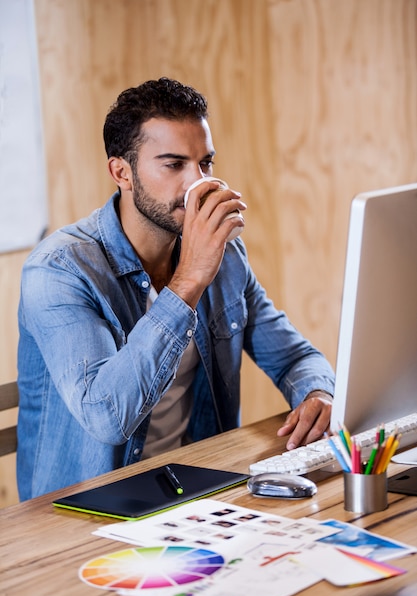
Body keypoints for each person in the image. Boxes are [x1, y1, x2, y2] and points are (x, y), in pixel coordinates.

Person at [16, 77, 335, 500]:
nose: (197, 183)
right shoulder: (59, 270)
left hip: (198, 486)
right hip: (89, 507)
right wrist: (188, 281)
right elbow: (107, 417)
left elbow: (294, 356)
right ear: (122, 172)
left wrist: (317, 392)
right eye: (174, 165)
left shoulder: (223, 258)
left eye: (206, 163)